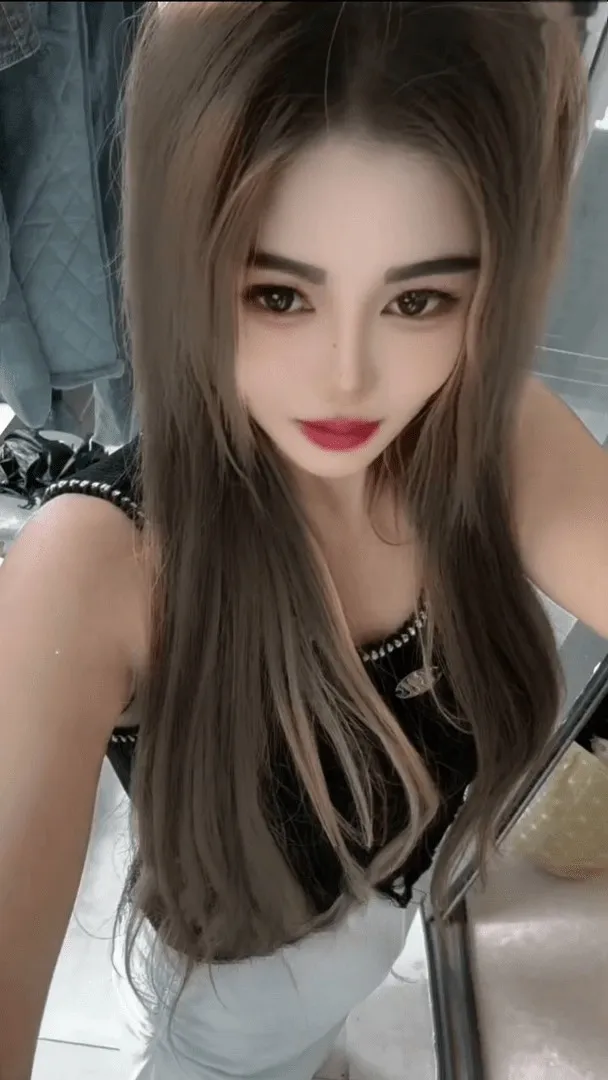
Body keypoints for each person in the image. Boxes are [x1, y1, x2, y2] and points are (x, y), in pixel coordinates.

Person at [1, 3, 608, 1078]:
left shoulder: (491, 444)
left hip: (349, 998)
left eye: (417, 300)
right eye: (278, 293)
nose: (347, 379)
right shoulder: (98, 565)